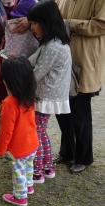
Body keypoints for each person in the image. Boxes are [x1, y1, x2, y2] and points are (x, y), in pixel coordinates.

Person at [55, 0, 105, 173]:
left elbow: (100, 25)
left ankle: (84, 157)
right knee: (62, 111)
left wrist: (70, 24)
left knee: (79, 112)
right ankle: (67, 152)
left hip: (84, 59)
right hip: (62, 58)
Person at [27, 0, 71, 183]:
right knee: (41, 131)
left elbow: (36, 73)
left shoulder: (53, 47)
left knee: (37, 133)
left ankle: (37, 171)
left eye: (35, 23)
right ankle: (47, 167)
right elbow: (32, 61)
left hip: (45, 96)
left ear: (47, 22)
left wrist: (19, 81)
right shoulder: (53, 43)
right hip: (48, 95)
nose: (33, 28)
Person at [0, 57, 38, 206]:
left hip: (19, 148)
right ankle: (29, 186)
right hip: (32, 143)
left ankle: (20, 197)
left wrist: (0, 150)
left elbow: (6, 132)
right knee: (29, 165)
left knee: (18, 171)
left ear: (7, 81)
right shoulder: (30, 96)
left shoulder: (9, 103)